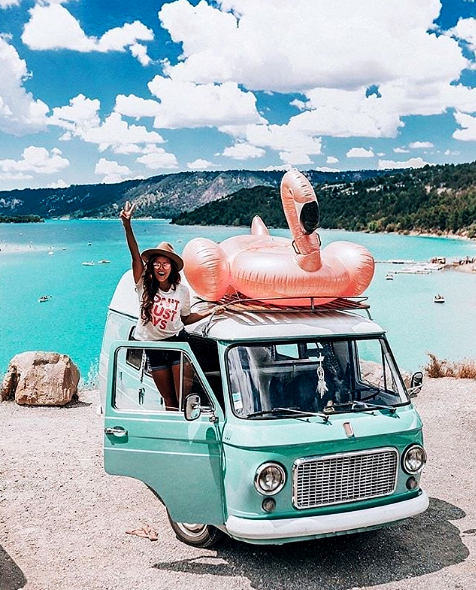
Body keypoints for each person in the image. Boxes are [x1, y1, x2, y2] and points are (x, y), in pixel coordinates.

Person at [120, 200, 222, 411]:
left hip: (178, 343)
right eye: (156, 263)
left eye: (165, 263)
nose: (161, 267)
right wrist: (127, 226)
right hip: (154, 347)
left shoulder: (182, 291)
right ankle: (174, 429)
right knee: (170, 401)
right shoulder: (143, 286)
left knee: (184, 398)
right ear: (151, 267)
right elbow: (135, 256)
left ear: (172, 267)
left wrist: (209, 311)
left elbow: (185, 319)